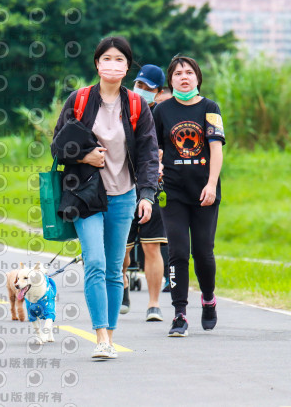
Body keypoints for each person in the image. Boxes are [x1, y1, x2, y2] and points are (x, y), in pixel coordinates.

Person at [52, 36, 159, 359]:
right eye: (107, 59)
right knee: (95, 262)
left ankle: (109, 337)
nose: (113, 65)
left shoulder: (137, 106)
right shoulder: (80, 100)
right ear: (97, 64)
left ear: (127, 67)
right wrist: (83, 157)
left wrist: (147, 195)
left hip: (124, 196)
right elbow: (58, 146)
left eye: (119, 59)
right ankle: (99, 335)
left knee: (114, 269)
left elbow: (148, 154)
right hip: (85, 195)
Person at [153, 56, 225, 337]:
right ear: (170, 80)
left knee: (203, 253)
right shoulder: (162, 110)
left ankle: (208, 298)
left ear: (197, 78)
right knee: (178, 252)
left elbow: (216, 149)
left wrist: (211, 184)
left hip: (204, 191)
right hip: (172, 192)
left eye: (189, 72)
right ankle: (179, 314)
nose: (184, 77)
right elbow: (156, 147)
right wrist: (157, 165)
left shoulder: (210, 108)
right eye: (178, 73)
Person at [120, 64, 169, 321]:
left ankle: (154, 304)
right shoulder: (122, 108)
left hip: (154, 187)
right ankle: (123, 286)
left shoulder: (163, 114)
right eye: (139, 85)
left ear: (158, 92)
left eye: (148, 88)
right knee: (123, 249)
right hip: (122, 186)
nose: (142, 90)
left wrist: (162, 159)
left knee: (152, 247)